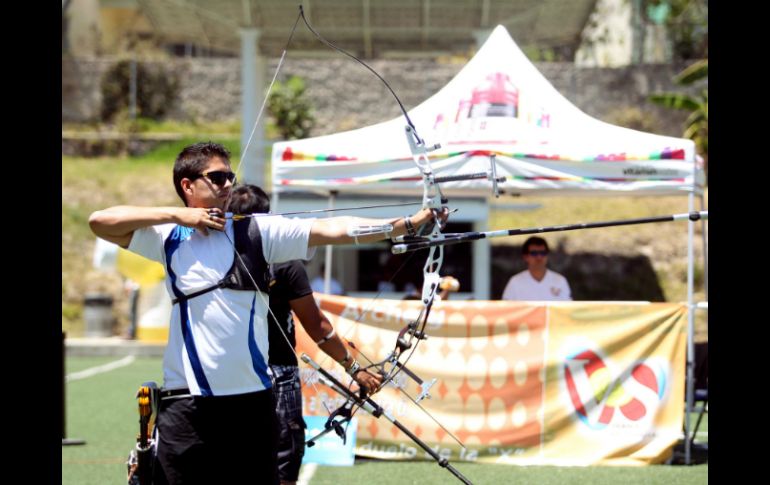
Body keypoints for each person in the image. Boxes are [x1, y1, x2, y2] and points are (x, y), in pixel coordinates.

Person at [88, 141, 447, 485]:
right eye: (217, 178)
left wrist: (406, 225)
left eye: (230, 176)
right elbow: (100, 220)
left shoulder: (258, 231)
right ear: (188, 185)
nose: (228, 184)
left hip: (252, 405)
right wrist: (177, 214)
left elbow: (334, 230)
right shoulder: (168, 237)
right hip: (188, 405)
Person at [228, 184, 381, 485]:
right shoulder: (284, 262)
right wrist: (354, 367)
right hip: (277, 372)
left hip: (229, 372)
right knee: (284, 453)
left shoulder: (216, 258)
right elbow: (317, 326)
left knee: (234, 453)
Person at [501, 236, 572, 301]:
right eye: (534, 253)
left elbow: (568, 310)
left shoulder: (560, 281)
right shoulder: (515, 282)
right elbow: (506, 311)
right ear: (525, 257)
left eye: (543, 253)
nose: (539, 257)